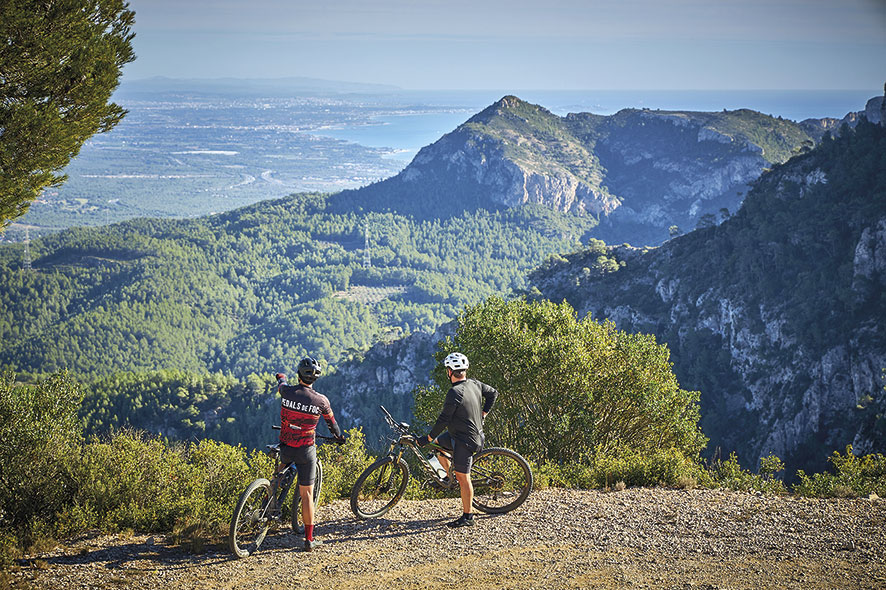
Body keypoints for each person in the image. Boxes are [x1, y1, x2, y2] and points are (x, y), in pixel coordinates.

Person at [417, 352, 497, 528]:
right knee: (436, 445)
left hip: (466, 441)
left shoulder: (454, 392)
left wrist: (427, 437)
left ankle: (468, 517)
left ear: (449, 371)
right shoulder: (475, 384)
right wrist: (484, 413)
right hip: (457, 434)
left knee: (463, 477)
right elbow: (493, 393)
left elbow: (443, 420)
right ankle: (447, 475)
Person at [275, 357, 344, 551]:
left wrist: (281, 377)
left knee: (278, 476)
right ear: (316, 379)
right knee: (307, 495)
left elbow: (281, 383)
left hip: (286, 446)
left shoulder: (287, 392)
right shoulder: (321, 401)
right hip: (306, 451)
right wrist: (339, 437)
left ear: (298, 374)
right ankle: (309, 539)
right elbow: (333, 424)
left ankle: (268, 502)